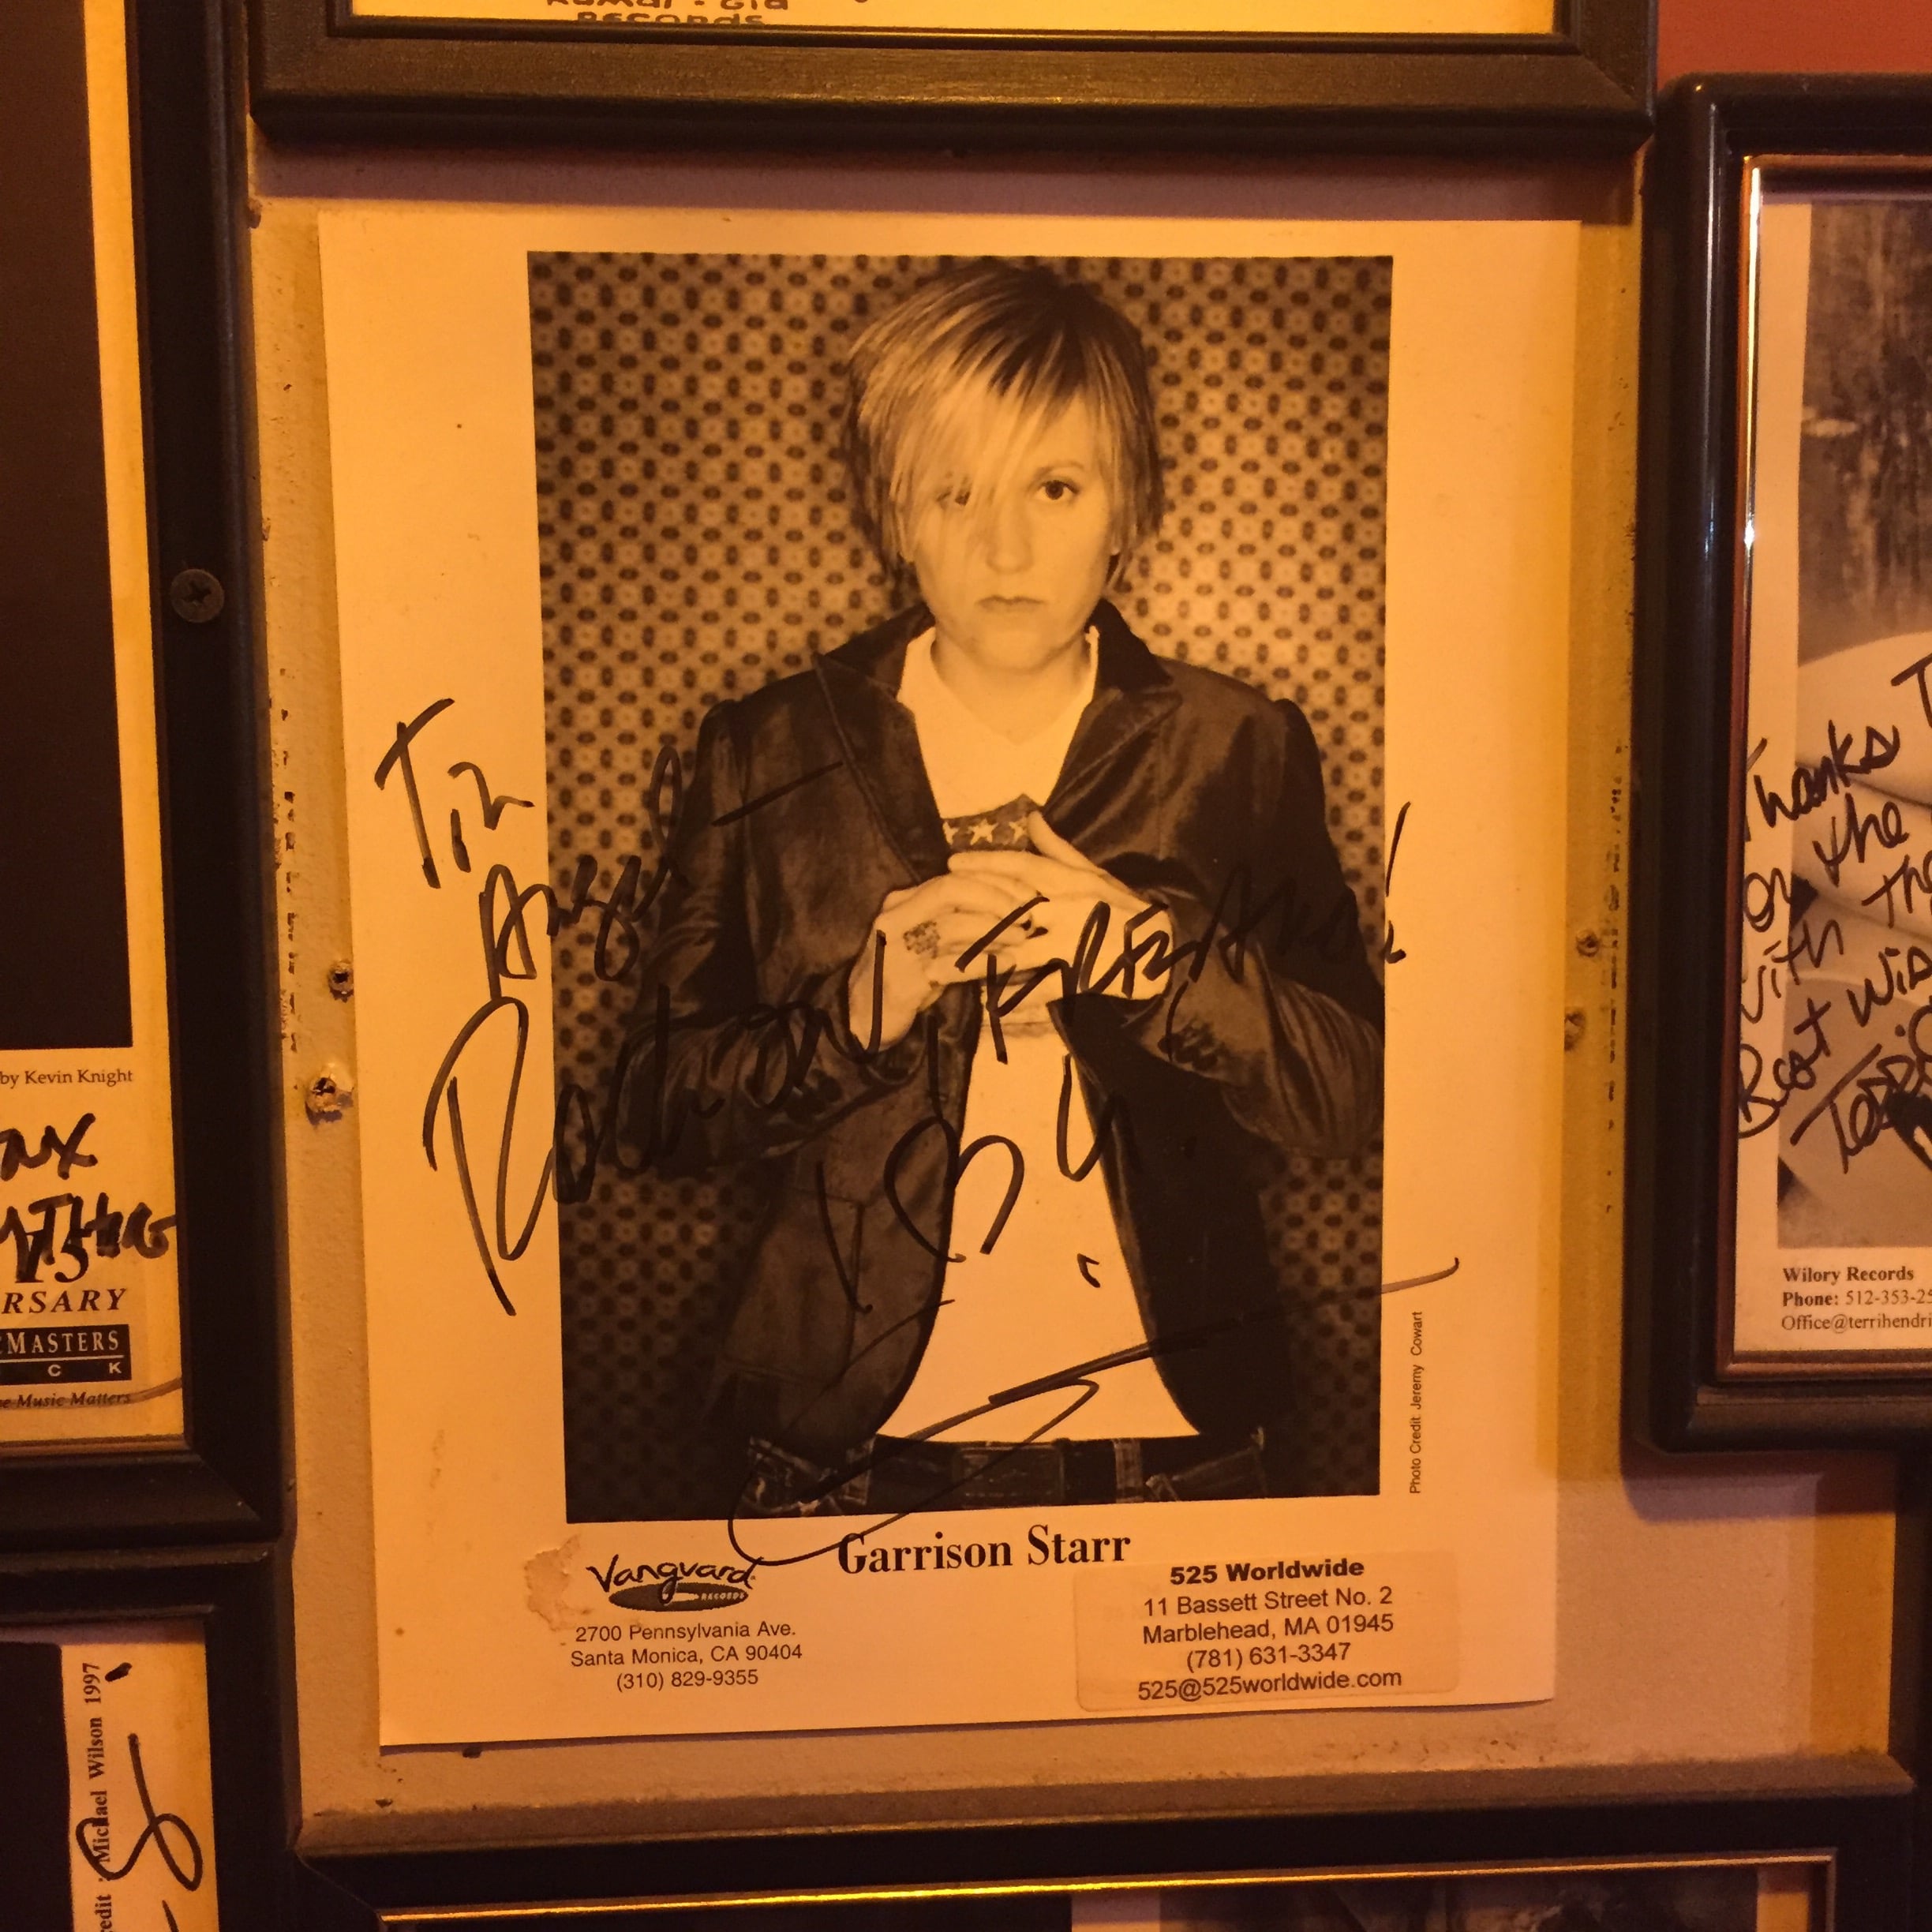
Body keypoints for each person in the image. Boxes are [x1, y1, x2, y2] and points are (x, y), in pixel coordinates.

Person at [621, 260, 1383, 1514]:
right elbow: (658, 1109)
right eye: (955, 491)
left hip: (1176, 1457)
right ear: (896, 514)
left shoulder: (1236, 744)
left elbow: (1352, 1095)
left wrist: (1153, 964)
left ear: (1129, 506)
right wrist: (857, 1014)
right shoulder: (770, 746)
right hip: (844, 1466)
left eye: (1056, 487)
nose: (1006, 547)